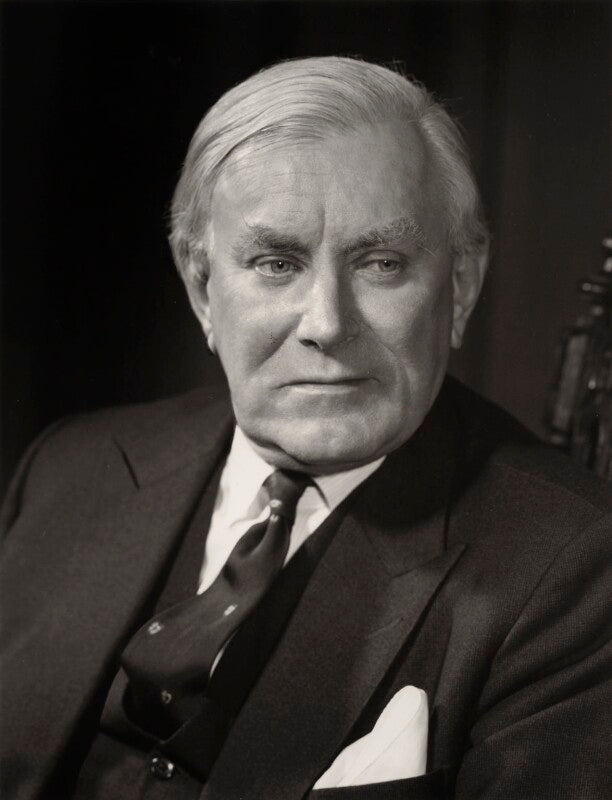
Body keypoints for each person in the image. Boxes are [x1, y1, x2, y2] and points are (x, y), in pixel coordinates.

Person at [1, 56, 610, 800]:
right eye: (275, 263)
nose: (326, 324)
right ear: (202, 289)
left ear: (460, 285)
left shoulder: (576, 567)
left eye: (381, 263)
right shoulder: (70, 466)